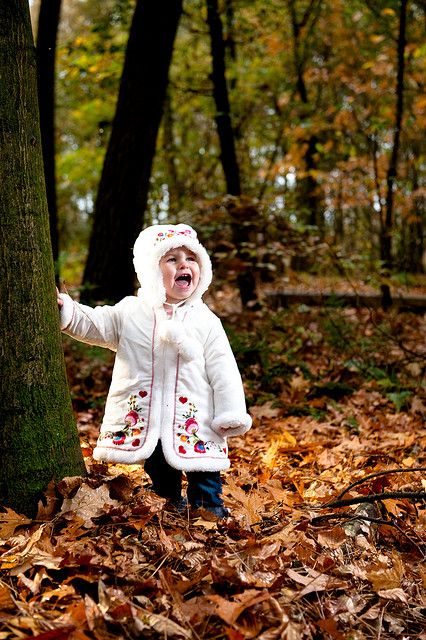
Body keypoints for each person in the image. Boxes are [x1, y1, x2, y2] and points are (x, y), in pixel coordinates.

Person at [57, 223, 252, 517]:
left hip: (196, 417)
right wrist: (67, 308)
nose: (184, 265)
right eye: (172, 259)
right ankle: (168, 499)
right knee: (158, 463)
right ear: (151, 271)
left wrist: (230, 412)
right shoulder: (131, 311)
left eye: (191, 258)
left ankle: (209, 508)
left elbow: (224, 369)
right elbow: (97, 323)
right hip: (149, 415)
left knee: (204, 469)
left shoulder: (206, 320)